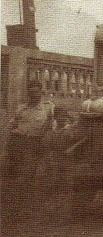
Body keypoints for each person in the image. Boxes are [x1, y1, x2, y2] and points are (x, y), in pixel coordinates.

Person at [3, 80, 53, 216]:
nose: (33, 95)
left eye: (36, 92)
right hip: (18, 143)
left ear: (41, 92)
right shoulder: (21, 108)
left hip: (35, 143)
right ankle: (14, 205)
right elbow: (12, 125)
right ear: (28, 93)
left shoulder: (47, 108)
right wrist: (11, 144)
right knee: (14, 174)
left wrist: (42, 140)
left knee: (29, 174)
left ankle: (27, 205)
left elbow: (49, 126)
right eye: (31, 92)